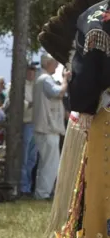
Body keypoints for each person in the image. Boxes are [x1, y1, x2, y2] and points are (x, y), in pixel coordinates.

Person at [40, 0, 110, 238]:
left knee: (103, 236)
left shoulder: (99, 18)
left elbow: (83, 95)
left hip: (108, 134)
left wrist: (76, 86)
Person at [32, 54, 69, 200]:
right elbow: (58, 92)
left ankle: (41, 192)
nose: (57, 66)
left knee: (45, 163)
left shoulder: (42, 79)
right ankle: (43, 193)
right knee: (50, 164)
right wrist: (65, 80)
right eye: (55, 63)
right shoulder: (45, 79)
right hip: (47, 128)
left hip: (46, 128)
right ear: (48, 63)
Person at [19, 63, 38, 196]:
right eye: (29, 71)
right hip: (25, 124)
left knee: (33, 158)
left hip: (36, 124)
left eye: (33, 71)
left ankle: (29, 186)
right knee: (24, 158)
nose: (31, 73)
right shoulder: (20, 85)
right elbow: (22, 104)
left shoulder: (36, 86)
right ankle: (23, 187)